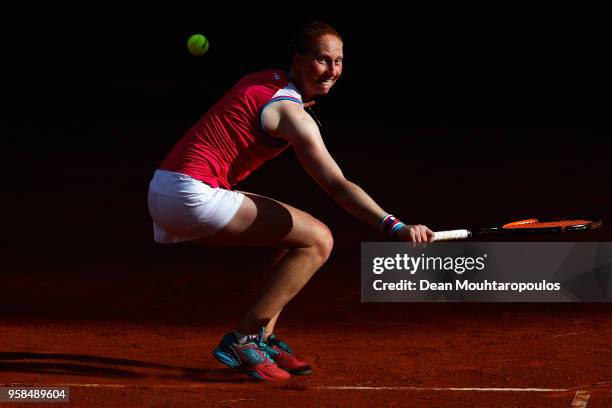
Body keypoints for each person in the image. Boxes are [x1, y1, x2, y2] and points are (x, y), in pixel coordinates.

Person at [147, 21, 435, 382]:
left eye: (338, 61)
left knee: (293, 239)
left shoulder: (262, 79)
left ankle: (262, 338)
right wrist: (394, 225)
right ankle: (243, 339)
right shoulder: (292, 114)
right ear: (298, 60)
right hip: (193, 194)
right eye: (321, 60)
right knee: (319, 239)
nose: (331, 71)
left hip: (165, 187)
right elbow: (337, 185)